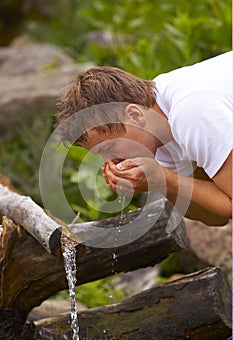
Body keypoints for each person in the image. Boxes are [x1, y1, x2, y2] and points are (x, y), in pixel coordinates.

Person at [56, 51, 232, 228]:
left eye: (109, 147)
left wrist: (164, 177)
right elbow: (215, 217)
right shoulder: (156, 131)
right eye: (99, 154)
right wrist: (160, 182)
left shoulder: (190, 112)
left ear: (134, 115)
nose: (110, 161)